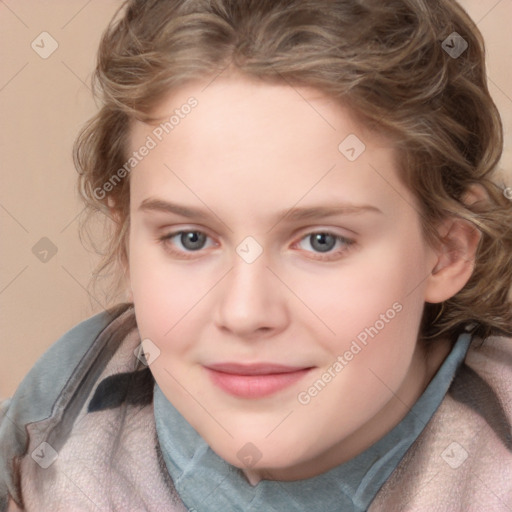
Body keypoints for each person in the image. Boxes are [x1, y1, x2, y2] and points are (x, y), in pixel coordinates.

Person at [1, 0, 512, 510]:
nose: (245, 313)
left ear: (446, 252)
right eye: (190, 238)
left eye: (322, 241)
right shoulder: (50, 436)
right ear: (128, 244)